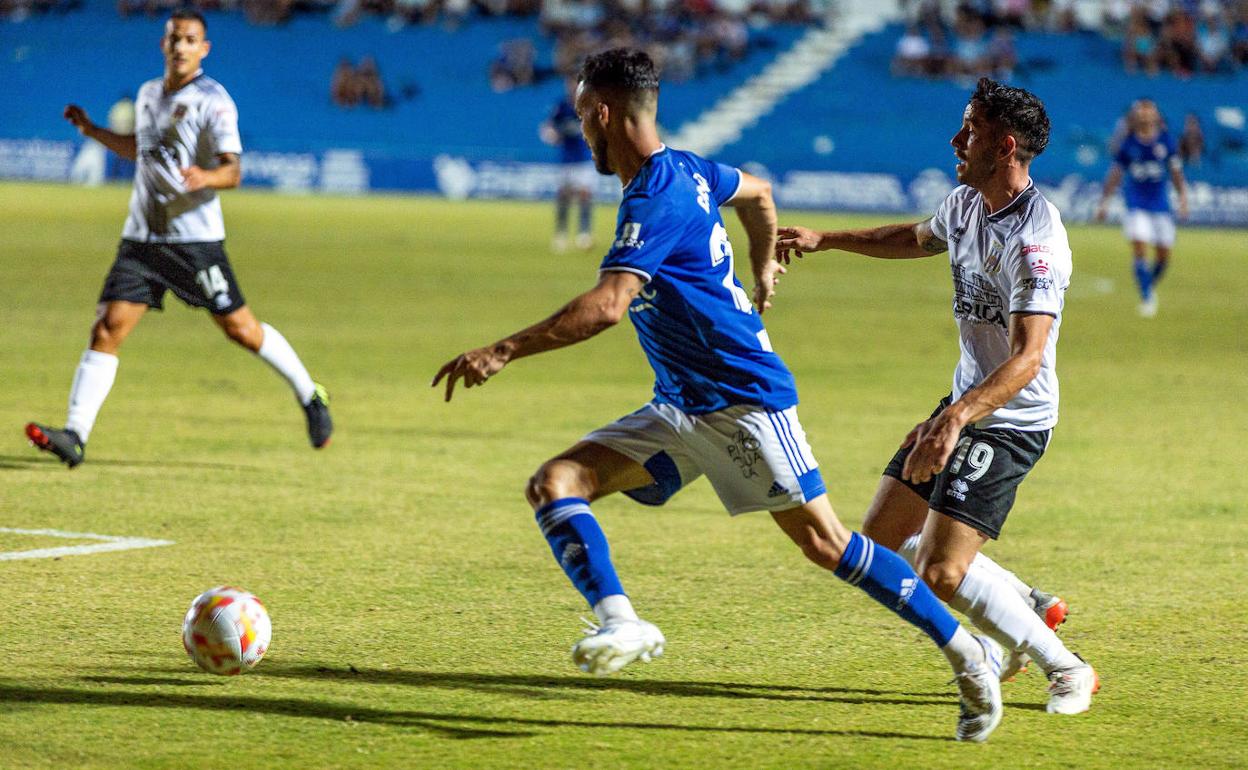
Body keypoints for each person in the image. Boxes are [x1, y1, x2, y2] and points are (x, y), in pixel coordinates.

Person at [434, 48, 1006, 743]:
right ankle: (622, 622)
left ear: (603, 114)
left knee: (828, 544)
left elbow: (609, 306)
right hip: (682, 403)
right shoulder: (690, 168)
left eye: (583, 117)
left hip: (743, 400)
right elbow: (758, 193)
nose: (581, 131)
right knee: (556, 483)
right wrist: (762, 264)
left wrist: (502, 350)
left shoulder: (657, 193)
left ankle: (967, 654)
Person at [775, 78, 1097, 716]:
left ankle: (1068, 669)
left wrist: (955, 419)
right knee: (881, 539)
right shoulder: (967, 204)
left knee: (940, 573)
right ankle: (1025, 607)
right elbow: (915, 238)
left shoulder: (1036, 241)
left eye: (970, 130)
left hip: (1009, 419)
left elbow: (1028, 359)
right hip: (965, 402)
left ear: (1004, 147)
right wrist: (828, 239)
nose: (955, 139)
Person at [26, 9, 332, 468]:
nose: (180, 46)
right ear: (163, 44)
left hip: (194, 242)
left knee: (241, 330)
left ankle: (310, 394)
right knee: (107, 327)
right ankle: (76, 434)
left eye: (190, 39)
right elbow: (141, 148)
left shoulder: (214, 101)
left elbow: (233, 171)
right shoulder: (149, 92)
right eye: (174, 38)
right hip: (142, 239)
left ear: (204, 49)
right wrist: (93, 131)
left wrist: (206, 176)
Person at [1095, 98, 1188, 318]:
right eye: (1141, 112)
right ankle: (1147, 297)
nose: (1145, 116)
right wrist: (1104, 202)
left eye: (1149, 112)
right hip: (1136, 204)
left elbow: (1176, 172)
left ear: (1156, 116)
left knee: (1163, 256)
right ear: (1136, 116)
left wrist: (1183, 197)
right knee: (1139, 246)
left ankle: (1148, 284)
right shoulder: (1129, 144)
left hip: (1161, 206)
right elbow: (1115, 175)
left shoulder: (1166, 142)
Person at [541, 78, 596, 252]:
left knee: (585, 195)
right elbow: (548, 127)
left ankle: (584, 234)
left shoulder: (588, 107)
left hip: (584, 159)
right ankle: (561, 234)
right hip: (566, 160)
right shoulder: (561, 106)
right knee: (563, 196)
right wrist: (551, 135)